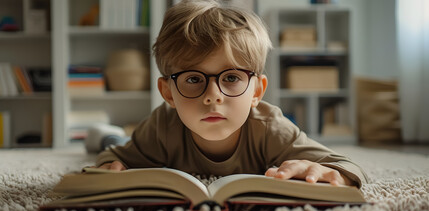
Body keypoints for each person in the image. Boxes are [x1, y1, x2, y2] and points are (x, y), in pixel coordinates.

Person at [95, 0, 368, 187]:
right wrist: (112, 164)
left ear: (257, 91)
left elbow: (350, 168)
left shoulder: (271, 129)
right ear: (168, 93)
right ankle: (104, 131)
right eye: (193, 78)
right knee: (107, 140)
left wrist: (331, 174)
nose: (213, 96)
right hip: (129, 137)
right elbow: (111, 157)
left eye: (232, 77)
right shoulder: (160, 127)